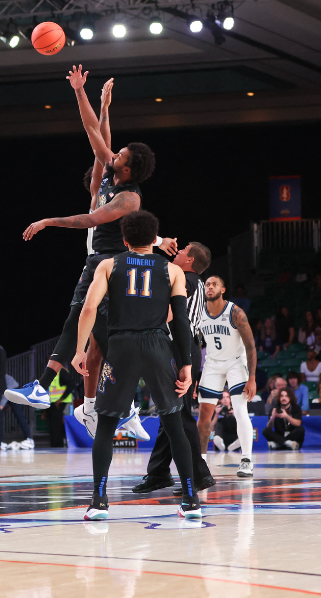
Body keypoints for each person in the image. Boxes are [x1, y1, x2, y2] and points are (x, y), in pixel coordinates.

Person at [7, 65, 175, 411]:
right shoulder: (108, 177)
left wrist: (47, 221)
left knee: (87, 324)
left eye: (120, 156)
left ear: (127, 169)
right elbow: (94, 132)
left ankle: (49, 387)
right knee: (102, 340)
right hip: (103, 261)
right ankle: (117, 404)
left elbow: (90, 220)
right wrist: (85, 95)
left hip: (111, 263)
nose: (113, 155)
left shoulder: (129, 198)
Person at [71, 209, 202, 520]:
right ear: (154, 241)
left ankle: (99, 500)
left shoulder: (108, 264)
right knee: (174, 426)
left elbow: (89, 308)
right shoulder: (173, 272)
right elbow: (181, 321)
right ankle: (190, 499)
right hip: (158, 346)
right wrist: (186, 364)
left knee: (105, 426)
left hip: (121, 347)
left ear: (125, 239)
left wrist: (79, 350)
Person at [133, 243, 215, 494]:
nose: (176, 253)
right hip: (187, 347)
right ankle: (158, 472)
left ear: (189, 260)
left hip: (179, 347)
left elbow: (170, 314)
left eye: (182, 251)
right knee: (170, 415)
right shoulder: (195, 281)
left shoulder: (187, 280)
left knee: (179, 416)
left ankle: (199, 475)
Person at [195, 274, 257, 477]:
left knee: (240, 410)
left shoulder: (236, 313)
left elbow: (250, 346)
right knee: (204, 414)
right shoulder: (199, 313)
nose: (209, 287)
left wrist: (252, 378)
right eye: (207, 285)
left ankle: (246, 459)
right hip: (212, 363)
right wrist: (196, 375)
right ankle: (200, 463)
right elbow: (196, 344)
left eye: (214, 284)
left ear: (223, 290)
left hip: (236, 363)